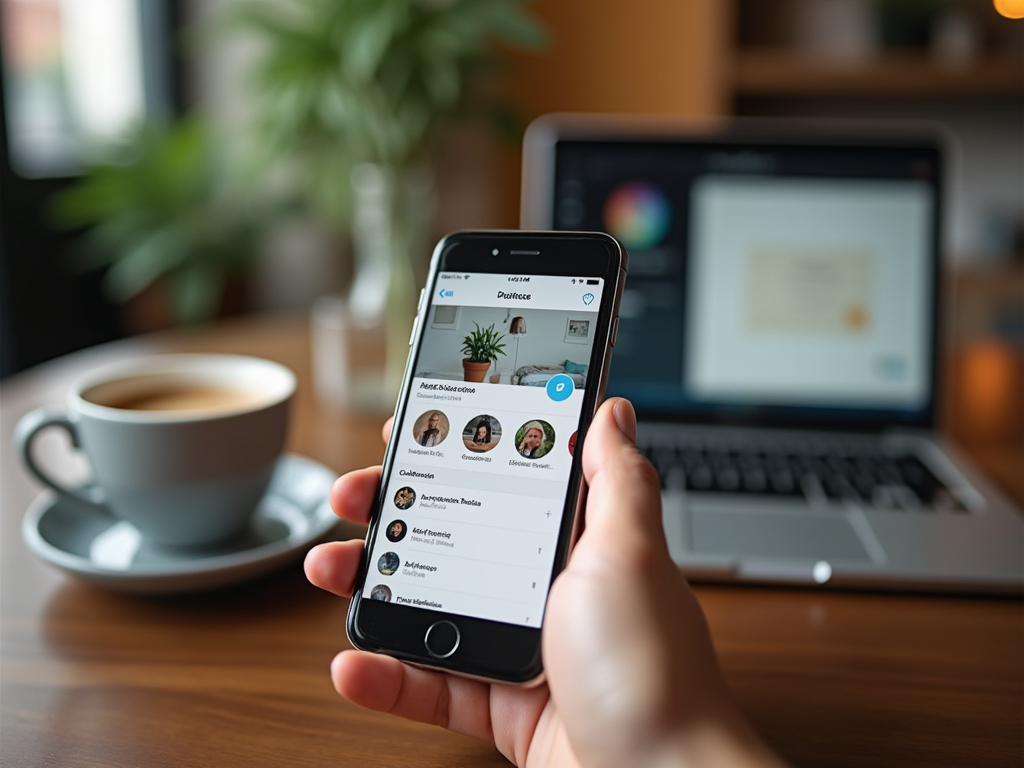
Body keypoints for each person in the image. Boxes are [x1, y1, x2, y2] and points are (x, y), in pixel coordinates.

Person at [305, 399, 787, 768]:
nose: (532, 437)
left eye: (536, 434)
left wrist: (658, 743)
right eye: (530, 434)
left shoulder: (530, 450)